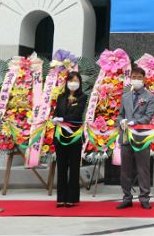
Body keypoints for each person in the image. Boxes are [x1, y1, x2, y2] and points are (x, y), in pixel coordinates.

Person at [116, 66, 154, 209]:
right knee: (125, 170)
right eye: (134, 77)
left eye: (139, 77)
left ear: (144, 79)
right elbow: (120, 114)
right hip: (126, 137)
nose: (136, 80)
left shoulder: (149, 97)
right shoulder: (125, 96)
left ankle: (144, 198)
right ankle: (127, 197)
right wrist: (121, 121)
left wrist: (135, 122)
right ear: (130, 78)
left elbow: (148, 116)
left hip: (141, 137)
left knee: (143, 169)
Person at [51, 71, 87, 207]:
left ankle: (72, 198)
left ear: (80, 83)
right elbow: (56, 112)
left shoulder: (82, 97)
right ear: (67, 82)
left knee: (74, 167)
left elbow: (78, 113)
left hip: (74, 136)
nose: (73, 83)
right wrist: (54, 119)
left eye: (76, 81)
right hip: (60, 135)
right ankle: (61, 197)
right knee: (61, 167)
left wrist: (63, 119)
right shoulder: (61, 97)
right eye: (71, 81)